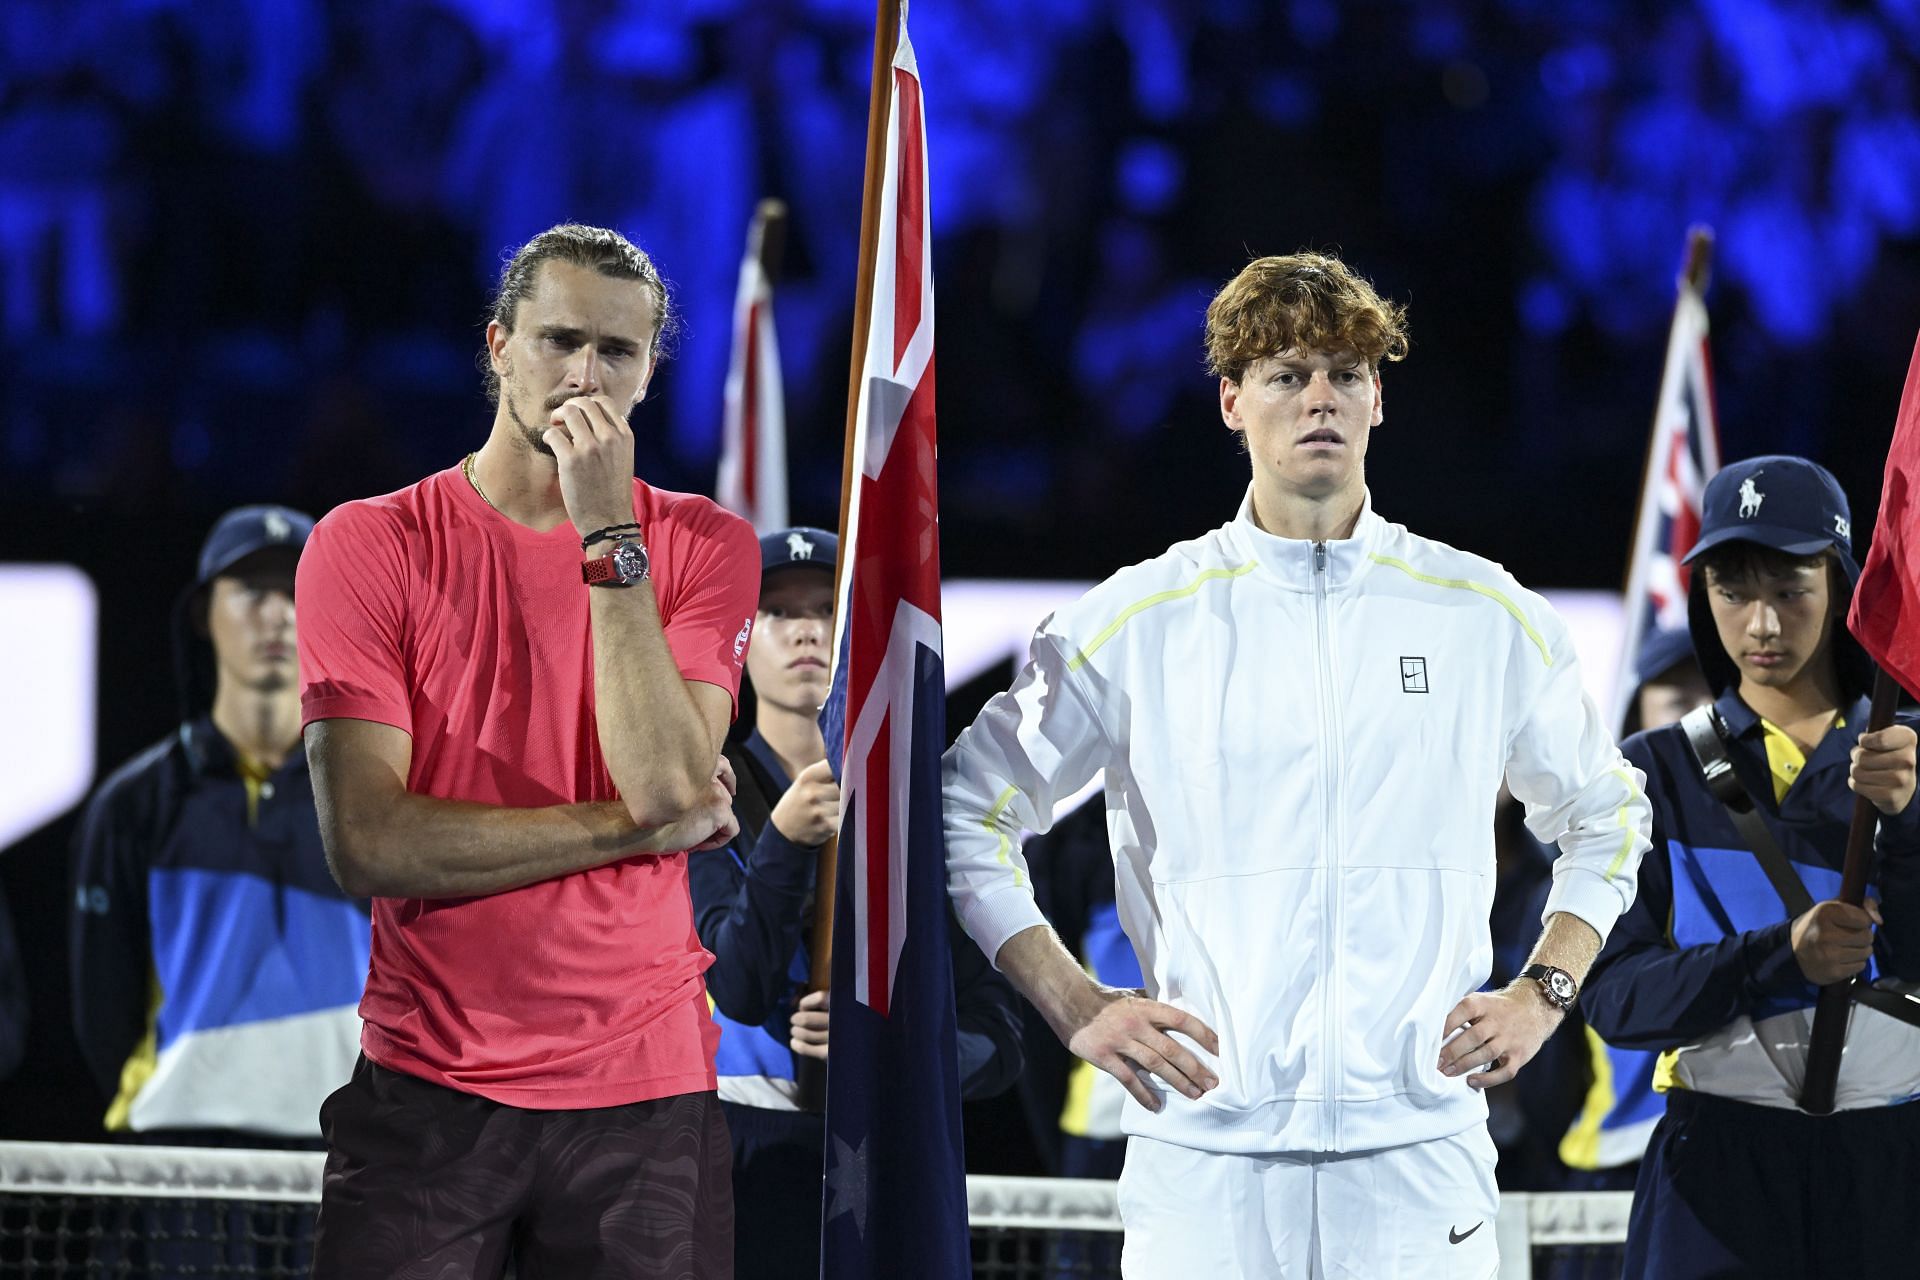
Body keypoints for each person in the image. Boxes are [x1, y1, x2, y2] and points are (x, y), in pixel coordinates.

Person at [942, 251, 1652, 1278]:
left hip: (1419, 1158)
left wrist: (1544, 988)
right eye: (1285, 374)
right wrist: (1073, 1000)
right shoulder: (1139, 619)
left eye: (1344, 373)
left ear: (1379, 398)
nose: (1319, 397)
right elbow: (966, 805)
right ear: (1232, 402)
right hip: (1206, 1159)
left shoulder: (1481, 612)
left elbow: (1607, 813)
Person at [295, 223, 758, 1279]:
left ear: (650, 371)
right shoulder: (370, 543)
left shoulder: (702, 544)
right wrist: (630, 828)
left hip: (645, 1103)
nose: (584, 375)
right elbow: (370, 840)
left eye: (618, 352)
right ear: (497, 344)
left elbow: (668, 779)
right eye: (558, 341)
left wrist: (606, 532)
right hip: (427, 1088)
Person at [1581, 455, 1920, 1278]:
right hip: (1715, 1175)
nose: (1761, 625)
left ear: (1842, 584)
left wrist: (1909, 832)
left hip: (1893, 1168)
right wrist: (1777, 957)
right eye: (1734, 590)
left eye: (1791, 588)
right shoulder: (1647, 770)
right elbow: (1614, 997)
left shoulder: (1909, 761)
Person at [690, 525, 1023, 1280]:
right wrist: (781, 841)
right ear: (741, 638)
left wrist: (895, 1050)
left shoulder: (920, 803)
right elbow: (736, 985)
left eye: (826, 611)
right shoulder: (700, 794)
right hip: (736, 1157)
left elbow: (999, 1035)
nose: (807, 629)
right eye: (778, 611)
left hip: (890, 1158)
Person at [70, 504, 369, 1143]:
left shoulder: (376, 794)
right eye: (252, 591)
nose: (277, 615)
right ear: (203, 615)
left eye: (296, 590)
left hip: (342, 1161)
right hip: (179, 1164)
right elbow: (103, 1006)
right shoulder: (134, 804)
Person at [1556, 626, 1710, 1192]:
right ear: (1634, 710)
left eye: (1717, 693)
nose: (1702, 716)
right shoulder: (1581, 862)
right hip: (1616, 1161)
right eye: (1678, 698)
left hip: (1736, 1146)